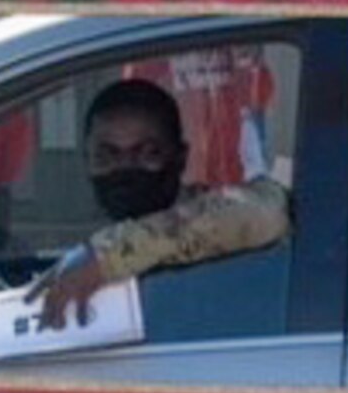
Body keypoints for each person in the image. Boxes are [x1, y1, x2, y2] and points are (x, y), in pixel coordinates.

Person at [25, 76, 291, 329]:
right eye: (106, 157)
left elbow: (266, 212)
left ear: (181, 158)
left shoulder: (216, 219)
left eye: (148, 153)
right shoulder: (86, 259)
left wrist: (112, 256)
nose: (125, 169)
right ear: (86, 162)